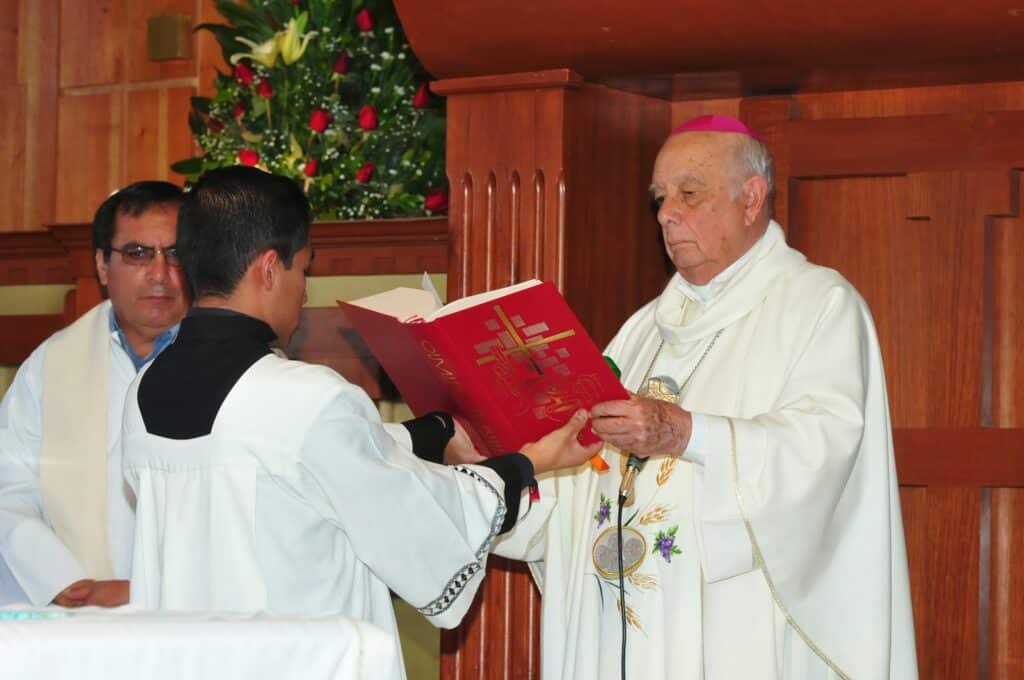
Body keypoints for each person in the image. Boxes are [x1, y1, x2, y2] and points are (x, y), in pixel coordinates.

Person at [120, 166, 600, 668]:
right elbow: (414, 518)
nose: (304, 292)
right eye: (303, 269)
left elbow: (308, 458)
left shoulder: (144, 388)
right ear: (268, 269)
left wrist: (435, 434)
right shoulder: (306, 398)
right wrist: (524, 465)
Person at [493, 115, 918, 679]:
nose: (667, 213)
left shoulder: (818, 306)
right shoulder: (643, 329)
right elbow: (582, 475)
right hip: (624, 626)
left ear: (752, 198)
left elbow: (824, 448)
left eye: (690, 194)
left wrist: (687, 433)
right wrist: (497, 469)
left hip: (736, 628)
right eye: (660, 198)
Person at [0, 181, 188, 608]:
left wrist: (154, 591)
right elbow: (8, 486)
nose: (160, 273)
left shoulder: (238, 364)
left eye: (176, 253)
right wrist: (63, 580)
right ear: (103, 265)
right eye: (138, 254)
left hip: (199, 613)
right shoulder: (51, 366)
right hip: (78, 616)